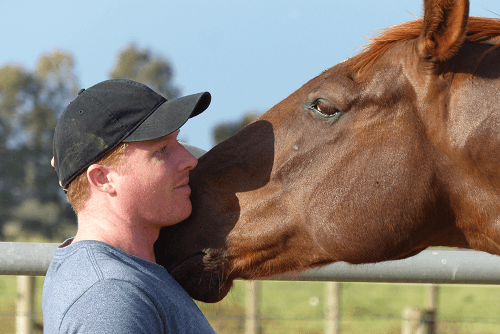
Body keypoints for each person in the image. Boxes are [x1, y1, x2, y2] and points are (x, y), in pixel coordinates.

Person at [42, 79, 216, 333]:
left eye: (178, 142)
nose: (189, 160)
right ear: (103, 179)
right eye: (163, 150)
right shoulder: (109, 297)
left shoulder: (121, 276)